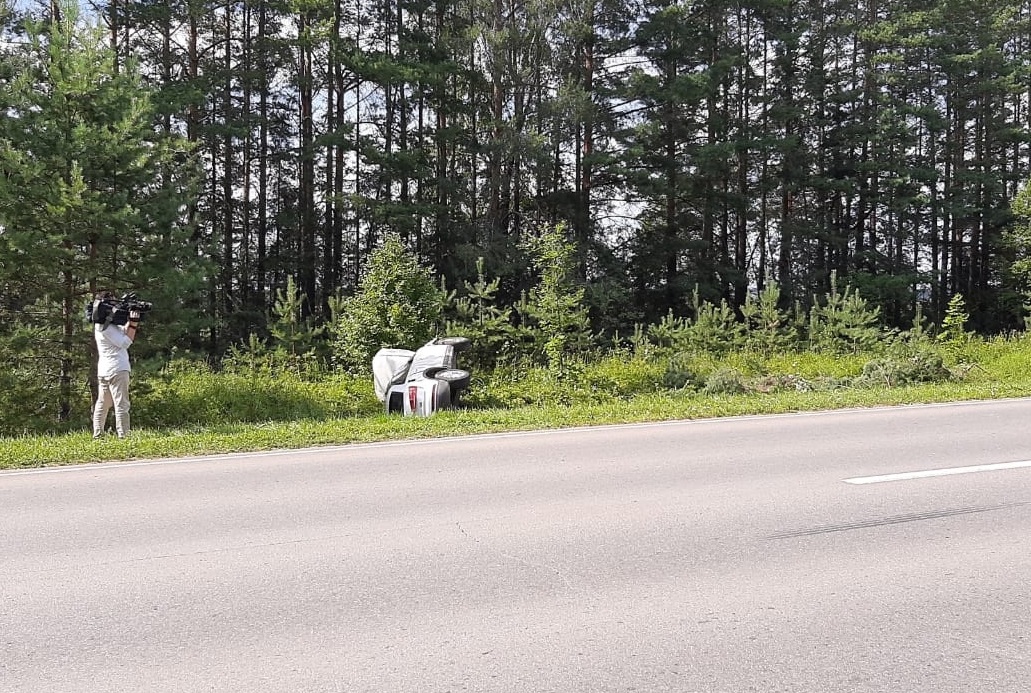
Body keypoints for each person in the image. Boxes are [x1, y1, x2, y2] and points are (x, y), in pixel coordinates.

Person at [92, 291, 141, 439]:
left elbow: (122, 334)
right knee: (121, 405)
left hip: (104, 370)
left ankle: (98, 435)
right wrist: (133, 324)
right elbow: (125, 342)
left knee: (103, 403)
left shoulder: (102, 326)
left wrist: (129, 320)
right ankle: (123, 436)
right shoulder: (107, 328)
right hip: (118, 369)